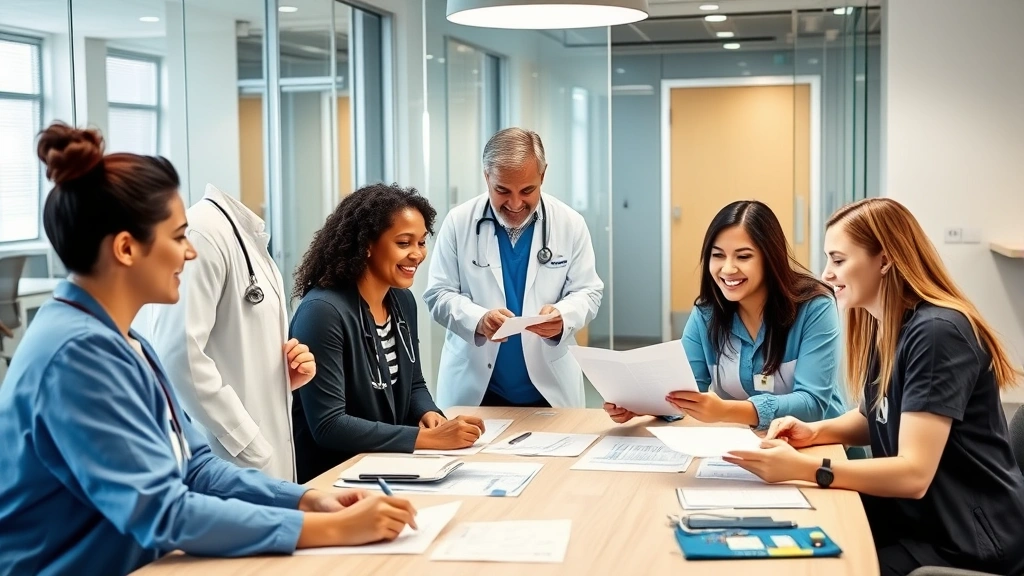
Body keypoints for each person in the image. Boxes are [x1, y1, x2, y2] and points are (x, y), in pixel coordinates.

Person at [0, 123, 417, 576]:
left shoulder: (126, 342)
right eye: (179, 237)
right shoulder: (76, 355)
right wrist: (327, 529)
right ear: (125, 248)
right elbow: (164, 511)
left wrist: (307, 498)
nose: (190, 253)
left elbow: (195, 467)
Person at [723, 198, 1024, 576]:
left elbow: (913, 475)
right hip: (918, 518)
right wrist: (813, 432)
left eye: (838, 259)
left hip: (965, 541)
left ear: (884, 260)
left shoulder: (936, 334)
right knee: (800, 534)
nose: (826, 274)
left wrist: (805, 467)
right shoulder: (888, 325)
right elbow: (873, 417)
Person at [290, 184, 485, 483]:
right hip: (334, 478)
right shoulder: (323, 311)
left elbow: (414, 383)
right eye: (404, 242)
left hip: (388, 466)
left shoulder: (402, 302)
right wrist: (429, 440)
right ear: (367, 243)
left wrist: (428, 414)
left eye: (421, 242)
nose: (417, 255)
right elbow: (329, 425)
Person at [604, 200, 847, 430]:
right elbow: (686, 390)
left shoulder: (814, 307)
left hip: (821, 444)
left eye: (743, 256)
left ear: (770, 259)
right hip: (745, 446)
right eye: (718, 255)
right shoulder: (706, 314)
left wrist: (726, 411)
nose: (728, 269)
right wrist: (644, 406)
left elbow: (812, 404)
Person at [423, 127, 604, 409]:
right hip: (476, 390)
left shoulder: (569, 223)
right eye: (502, 190)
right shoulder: (459, 222)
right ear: (487, 176)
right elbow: (438, 294)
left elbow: (588, 292)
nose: (516, 203)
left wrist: (563, 316)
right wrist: (478, 319)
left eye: (527, 190)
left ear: (542, 175)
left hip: (549, 389)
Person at [137, 183, 307, 481]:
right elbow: (179, 353)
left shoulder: (246, 237)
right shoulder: (203, 233)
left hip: (263, 461)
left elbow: (236, 348)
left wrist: (281, 377)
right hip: (231, 460)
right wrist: (247, 440)